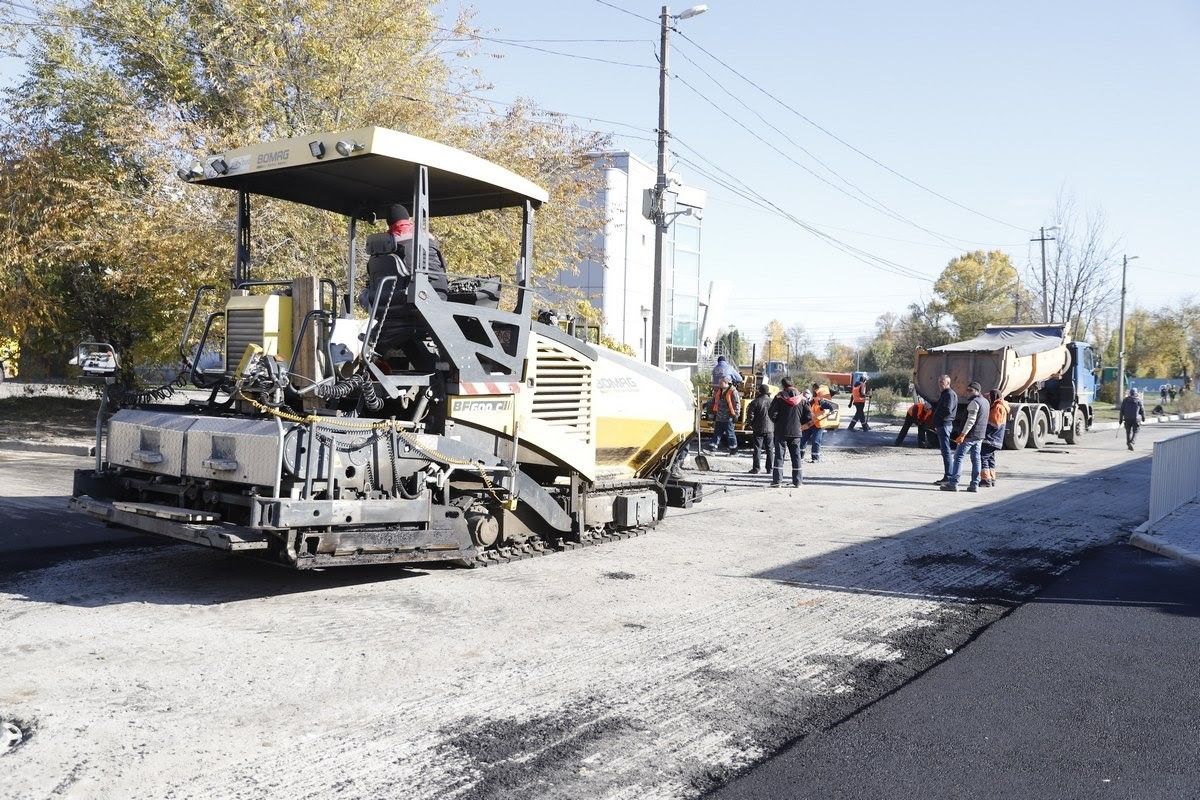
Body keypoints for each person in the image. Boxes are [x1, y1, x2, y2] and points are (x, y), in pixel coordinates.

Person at [941, 381, 989, 493]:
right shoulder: (985, 402)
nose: (967, 392)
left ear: (977, 391)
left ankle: (953, 483)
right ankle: (974, 485)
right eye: (967, 390)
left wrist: (962, 434)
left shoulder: (974, 403)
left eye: (970, 390)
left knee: (958, 457)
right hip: (979, 435)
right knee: (976, 459)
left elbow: (971, 421)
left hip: (970, 436)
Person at [768, 378, 812, 487]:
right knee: (796, 456)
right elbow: (808, 417)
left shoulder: (779, 397)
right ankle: (798, 481)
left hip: (781, 431)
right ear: (793, 384)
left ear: (783, 386)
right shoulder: (802, 399)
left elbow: (772, 413)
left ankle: (777, 481)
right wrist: (800, 425)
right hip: (796, 432)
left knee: (779, 456)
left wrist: (777, 422)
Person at [931, 374, 959, 485]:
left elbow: (947, 410)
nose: (939, 384)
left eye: (942, 382)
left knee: (946, 452)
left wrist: (938, 417)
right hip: (943, 425)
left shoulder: (949, 394)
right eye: (939, 382)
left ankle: (948, 477)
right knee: (945, 452)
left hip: (944, 425)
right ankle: (948, 476)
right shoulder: (945, 394)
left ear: (948, 383)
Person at [980, 389, 1009, 487]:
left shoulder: (997, 407)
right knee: (990, 459)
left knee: (983, 457)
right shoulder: (1001, 406)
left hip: (991, 438)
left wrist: (983, 427)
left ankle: (985, 480)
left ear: (994, 397)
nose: (989, 398)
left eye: (990, 397)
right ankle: (992, 478)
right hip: (996, 439)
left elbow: (994, 424)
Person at [799, 387, 837, 463]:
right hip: (809, 424)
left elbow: (830, 406)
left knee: (816, 441)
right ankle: (800, 457)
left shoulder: (820, 402)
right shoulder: (805, 403)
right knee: (803, 440)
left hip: (818, 425)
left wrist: (832, 410)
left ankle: (815, 458)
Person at [707, 377, 741, 455]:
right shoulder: (719, 391)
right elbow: (714, 401)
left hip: (728, 417)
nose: (719, 384)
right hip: (719, 417)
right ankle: (712, 449)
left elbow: (737, 403)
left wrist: (736, 414)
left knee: (730, 434)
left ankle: (734, 451)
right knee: (717, 434)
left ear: (726, 383)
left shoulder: (733, 391)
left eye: (721, 383)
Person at [746, 383, 774, 474]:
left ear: (759, 391)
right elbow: (776, 414)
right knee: (769, 449)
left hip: (758, 428)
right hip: (770, 428)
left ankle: (756, 468)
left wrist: (750, 424)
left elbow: (750, 415)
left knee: (757, 449)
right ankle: (770, 469)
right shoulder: (772, 402)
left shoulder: (755, 402)